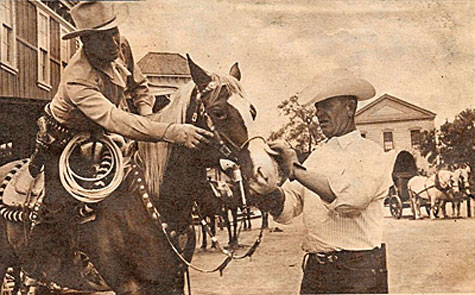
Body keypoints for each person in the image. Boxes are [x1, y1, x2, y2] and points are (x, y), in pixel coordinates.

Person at [15, 1, 212, 281]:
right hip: (63, 137)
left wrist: (148, 115)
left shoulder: (121, 46)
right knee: (60, 205)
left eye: (115, 31)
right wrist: (170, 131)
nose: (114, 41)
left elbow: (140, 87)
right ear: (85, 41)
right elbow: (115, 118)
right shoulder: (76, 77)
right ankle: (49, 265)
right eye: (103, 36)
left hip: (104, 135)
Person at [259, 78, 394, 294]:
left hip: (357, 274)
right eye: (317, 107)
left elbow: (351, 201)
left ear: (350, 107)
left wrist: (294, 169)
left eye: (327, 105)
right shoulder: (316, 156)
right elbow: (289, 208)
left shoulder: (371, 153)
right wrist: (264, 190)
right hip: (316, 273)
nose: (319, 114)